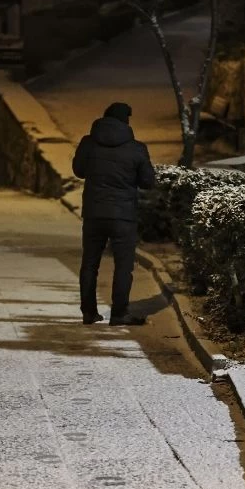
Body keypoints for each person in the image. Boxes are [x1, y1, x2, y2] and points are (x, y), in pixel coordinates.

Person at [72, 102, 155, 325]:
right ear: (126, 122)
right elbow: (148, 182)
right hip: (123, 216)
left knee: (89, 263)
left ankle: (89, 312)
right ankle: (119, 313)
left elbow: (78, 171)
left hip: (94, 213)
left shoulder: (88, 143)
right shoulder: (137, 148)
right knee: (123, 265)